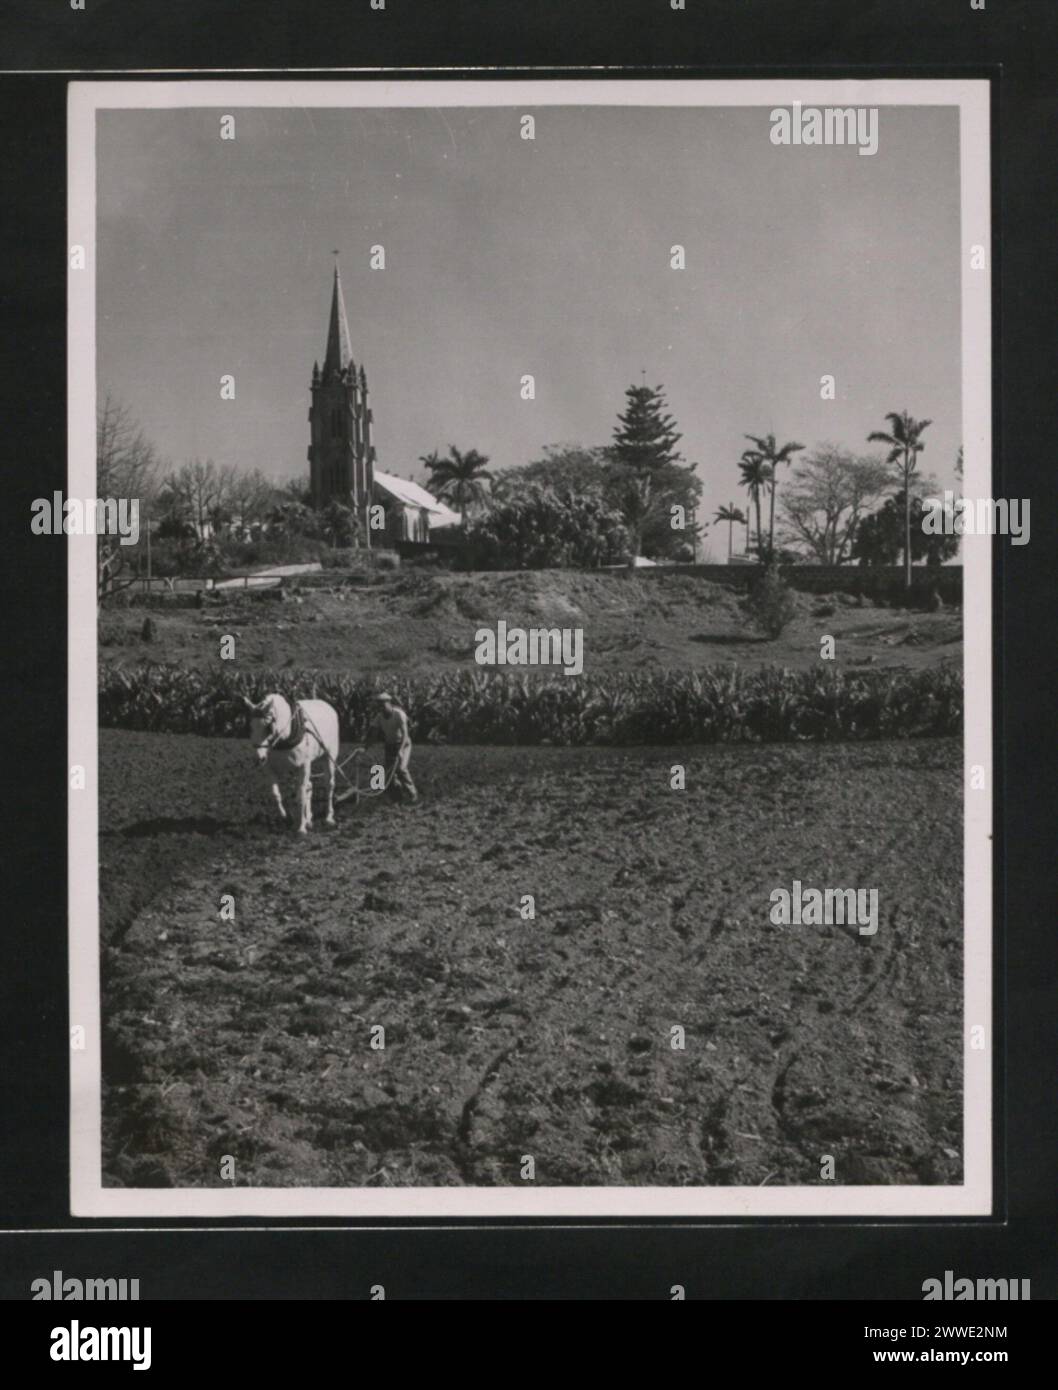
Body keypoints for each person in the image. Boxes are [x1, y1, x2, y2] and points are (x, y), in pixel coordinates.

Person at [366, 692, 418, 804]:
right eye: (379, 705)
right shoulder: (379, 717)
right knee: (389, 773)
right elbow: (373, 734)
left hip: (404, 744)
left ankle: (413, 794)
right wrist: (366, 747)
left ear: (389, 703)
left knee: (401, 769)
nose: (381, 707)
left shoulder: (399, 714)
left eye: (383, 704)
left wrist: (400, 750)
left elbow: (405, 734)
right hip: (390, 745)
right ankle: (397, 795)